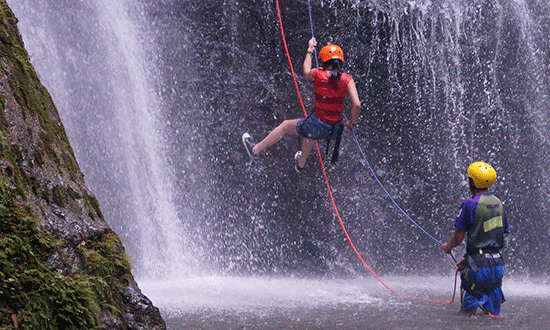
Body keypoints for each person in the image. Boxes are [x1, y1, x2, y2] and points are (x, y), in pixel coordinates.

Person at [242, 38, 361, 172]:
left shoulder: (318, 74)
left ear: (324, 61)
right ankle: (301, 163)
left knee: (286, 126)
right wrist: (352, 122)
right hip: (334, 130)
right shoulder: (347, 79)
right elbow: (356, 105)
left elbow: (306, 70)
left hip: (318, 125)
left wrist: (310, 50)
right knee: (309, 131)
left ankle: (254, 150)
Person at [442, 161, 509, 316]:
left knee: (467, 315)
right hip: (497, 266)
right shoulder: (498, 203)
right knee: (492, 315)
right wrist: (469, 259)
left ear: (472, 182)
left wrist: (448, 247)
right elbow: (497, 236)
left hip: (477, 269)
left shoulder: (470, 204)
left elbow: (458, 237)